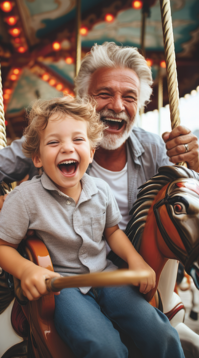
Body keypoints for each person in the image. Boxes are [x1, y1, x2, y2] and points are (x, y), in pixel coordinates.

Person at [0, 96, 185, 358]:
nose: (67, 148)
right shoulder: (25, 199)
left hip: (105, 275)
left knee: (162, 334)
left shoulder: (101, 190)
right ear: (38, 158)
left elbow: (112, 232)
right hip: (62, 286)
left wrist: (136, 260)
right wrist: (27, 269)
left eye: (78, 140)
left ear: (92, 151)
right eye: (54, 142)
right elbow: (3, 246)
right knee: (103, 347)